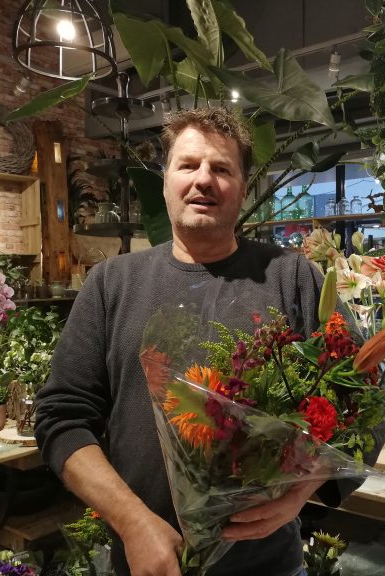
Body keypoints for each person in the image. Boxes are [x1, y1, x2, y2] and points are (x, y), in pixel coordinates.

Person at [35, 107, 355, 576]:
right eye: (187, 165)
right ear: (164, 181)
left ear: (243, 189)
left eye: (222, 169)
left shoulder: (292, 278)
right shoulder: (111, 284)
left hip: (269, 564)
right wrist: (132, 522)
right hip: (147, 563)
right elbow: (62, 419)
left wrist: (302, 493)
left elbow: (360, 401)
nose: (203, 180)